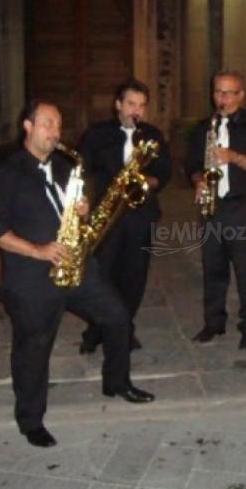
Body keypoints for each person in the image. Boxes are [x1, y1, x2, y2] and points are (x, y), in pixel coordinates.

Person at [0, 100, 155, 449]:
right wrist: (38, 250)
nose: (55, 132)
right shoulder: (7, 174)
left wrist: (83, 210)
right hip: (33, 280)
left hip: (77, 267)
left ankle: (116, 382)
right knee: (34, 350)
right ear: (27, 126)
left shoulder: (64, 167)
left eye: (58, 125)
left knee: (118, 318)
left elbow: (70, 211)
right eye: (47, 123)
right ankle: (31, 420)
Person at [76, 78, 171, 355]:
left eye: (141, 106)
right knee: (100, 276)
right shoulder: (97, 134)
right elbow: (80, 169)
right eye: (131, 104)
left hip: (141, 216)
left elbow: (163, 173)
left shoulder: (152, 135)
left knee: (134, 277)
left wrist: (144, 180)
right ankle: (95, 330)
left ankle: (123, 329)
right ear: (118, 105)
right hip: (108, 216)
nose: (136, 111)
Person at [185, 69, 246, 351]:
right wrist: (199, 182)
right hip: (212, 206)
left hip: (242, 205)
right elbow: (192, 166)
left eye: (228, 92)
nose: (221, 98)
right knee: (213, 268)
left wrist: (232, 156)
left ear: (241, 95)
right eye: (217, 92)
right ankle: (214, 323)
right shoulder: (203, 127)